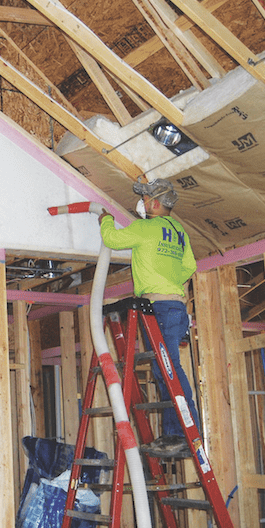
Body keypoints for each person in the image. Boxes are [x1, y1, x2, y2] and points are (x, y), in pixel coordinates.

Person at [98, 178, 200, 458]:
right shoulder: (179, 231)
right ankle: (176, 434)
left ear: (155, 203)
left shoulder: (145, 228)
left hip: (160, 308)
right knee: (164, 369)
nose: (141, 203)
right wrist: (169, 282)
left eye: (144, 199)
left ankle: (183, 435)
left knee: (168, 369)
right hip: (175, 307)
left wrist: (105, 219)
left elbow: (112, 239)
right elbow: (189, 265)